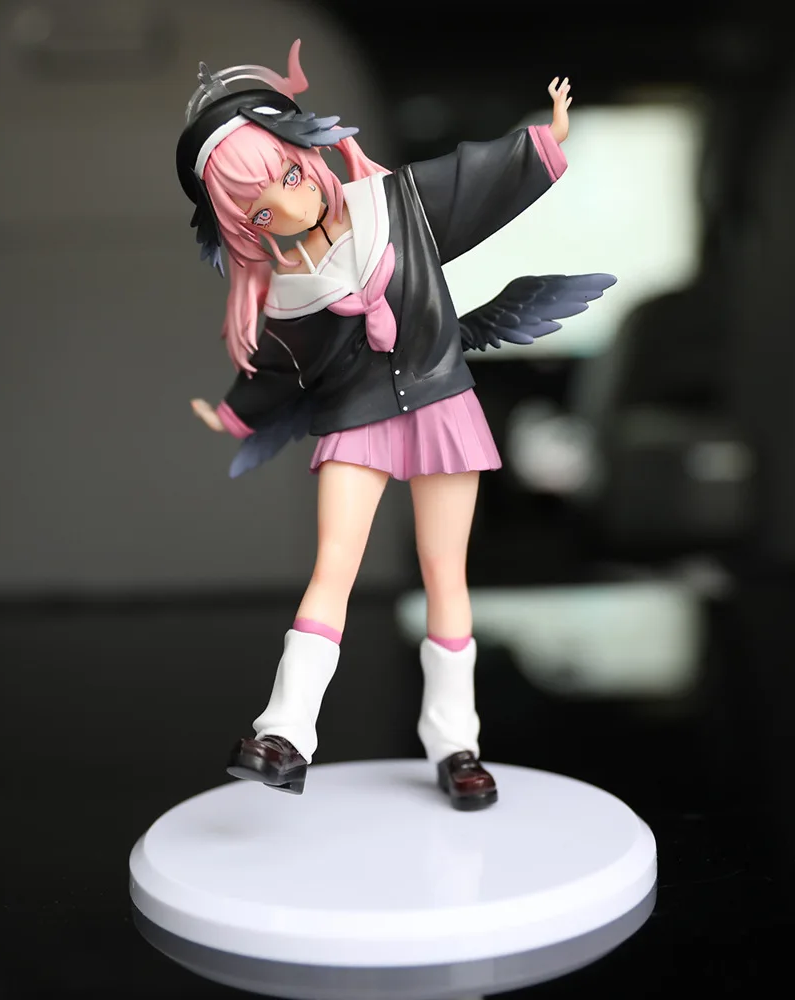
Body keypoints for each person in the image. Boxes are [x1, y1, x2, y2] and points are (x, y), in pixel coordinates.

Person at [176, 39, 615, 810]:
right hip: (356, 418)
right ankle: (283, 734)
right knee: (333, 568)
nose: (286, 204)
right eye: (258, 207)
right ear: (243, 224)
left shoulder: (396, 205)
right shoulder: (287, 292)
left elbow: (473, 183)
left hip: (441, 403)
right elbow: (277, 369)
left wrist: (542, 143)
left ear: (308, 155)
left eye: (287, 174)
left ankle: (456, 743)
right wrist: (237, 413)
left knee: (445, 574)